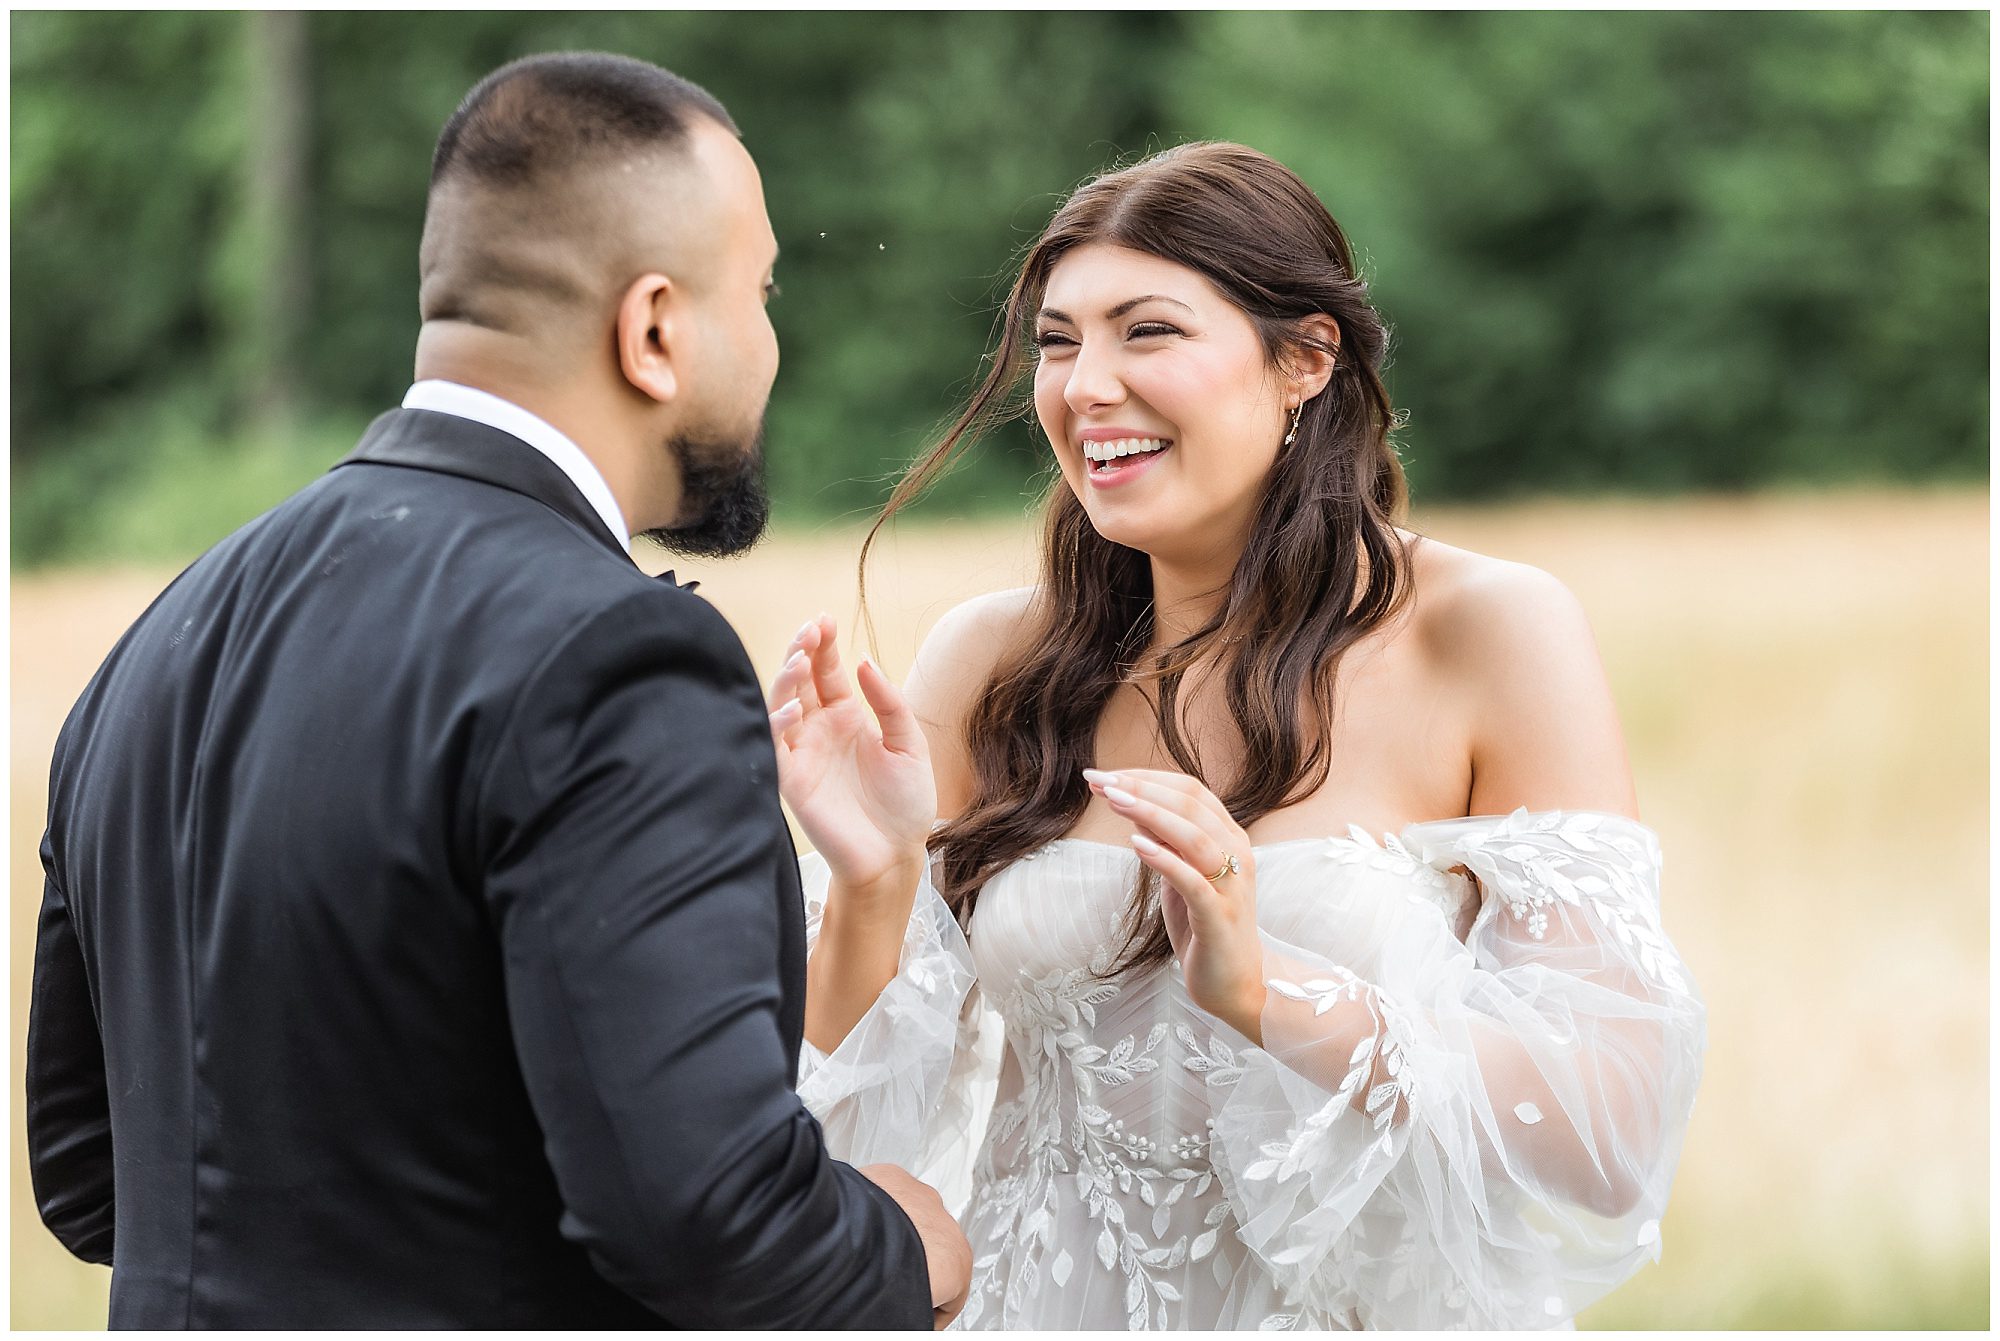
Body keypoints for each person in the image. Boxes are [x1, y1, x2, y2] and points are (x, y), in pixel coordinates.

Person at [27, 52, 969, 1329]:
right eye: (758, 294)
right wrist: (906, 1248)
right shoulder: (619, 656)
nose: (770, 345)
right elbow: (702, 1217)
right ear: (653, 329)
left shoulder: (163, 637)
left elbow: (94, 1180)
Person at [764, 141, 1707, 1329]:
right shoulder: (991, 657)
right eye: (1057, 341)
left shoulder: (1486, 632)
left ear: (1305, 358)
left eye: (1146, 332)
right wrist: (872, 879)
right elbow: (836, 1116)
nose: (1084, 386)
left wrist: (1264, 988)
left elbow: (1605, 1130)